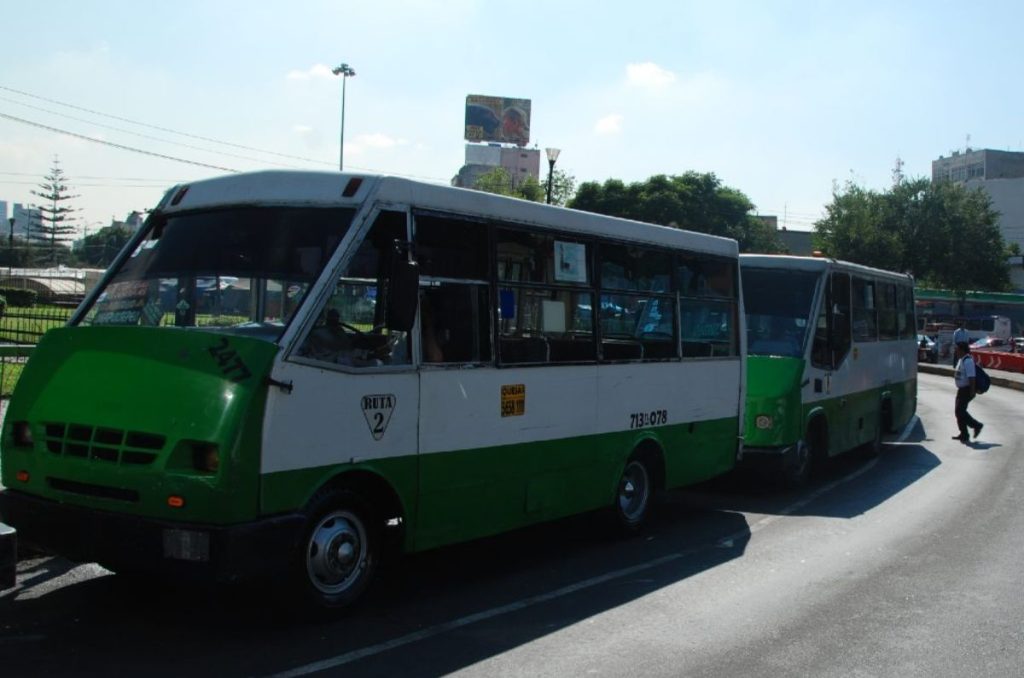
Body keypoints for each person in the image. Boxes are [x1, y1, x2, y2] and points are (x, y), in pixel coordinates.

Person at [952, 341, 983, 443]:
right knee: (958, 412)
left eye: (957, 349)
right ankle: (964, 434)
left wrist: (972, 391)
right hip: (961, 389)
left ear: (961, 350)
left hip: (967, 389)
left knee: (960, 411)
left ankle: (976, 425)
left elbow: (972, 377)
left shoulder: (968, 361)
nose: (955, 351)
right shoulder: (961, 360)